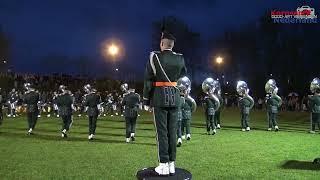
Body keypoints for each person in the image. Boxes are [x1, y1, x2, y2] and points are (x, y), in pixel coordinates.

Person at [143, 31, 187, 176]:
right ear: (172, 45)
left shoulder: (154, 56)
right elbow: (183, 78)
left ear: (162, 44)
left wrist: (146, 100)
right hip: (175, 98)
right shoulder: (180, 58)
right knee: (172, 132)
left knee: (162, 132)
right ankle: (172, 164)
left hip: (159, 97)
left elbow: (148, 80)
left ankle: (163, 165)